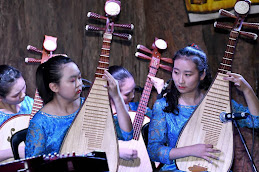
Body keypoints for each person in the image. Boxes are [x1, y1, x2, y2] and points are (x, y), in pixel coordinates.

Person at [147, 44, 259, 171]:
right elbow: (153, 151)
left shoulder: (217, 104)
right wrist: (191, 150)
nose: (180, 80)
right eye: (176, 72)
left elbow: (256, 121)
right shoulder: (163, 106)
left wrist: (247, 90)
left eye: (188, 74)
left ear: (202, 74)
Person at [25, 57, 135, 160]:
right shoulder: (40, 123)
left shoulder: (90, 107)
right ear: (54, 87)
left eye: (79, 77)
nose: (79, 84)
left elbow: (126, 135)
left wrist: (117, 97)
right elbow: (34, 166)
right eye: (72, 81)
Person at [0, 65, 34, 161]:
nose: (23, 95)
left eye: (23, 87)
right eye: (16, 95)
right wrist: (15, 150)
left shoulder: (28, 103)